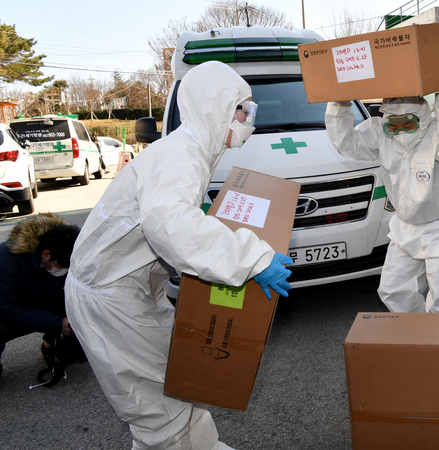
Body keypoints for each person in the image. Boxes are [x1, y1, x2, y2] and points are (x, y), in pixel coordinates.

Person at [64, 60, 292, 450]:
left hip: (132, 290)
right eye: (243, 108)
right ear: (216, 106)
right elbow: (173, 226)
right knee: (156, 412)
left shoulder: (193, 152)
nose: (249, 118)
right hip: (111, 298)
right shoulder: (179, 156)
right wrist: (252, 258)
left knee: (184, 382)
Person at [325, 64, 439, 314]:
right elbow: (347, 144)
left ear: (423, 119)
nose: (401, 132)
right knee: (394, 291)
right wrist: (339, 106)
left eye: (408, 124)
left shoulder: (438, 131)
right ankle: (417, 342)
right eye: (393, 126)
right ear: (384, 121)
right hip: (405, 226)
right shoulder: (379, 133)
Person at [0, 213, 80, 378]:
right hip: (7, 310)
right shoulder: (6, 259)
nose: (66, 270)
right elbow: (9, 309)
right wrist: (58, 323)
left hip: (35, 298)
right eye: (63, 266)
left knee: (79, 305)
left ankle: (51, 346)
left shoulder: (66, 247)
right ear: (46, 254)